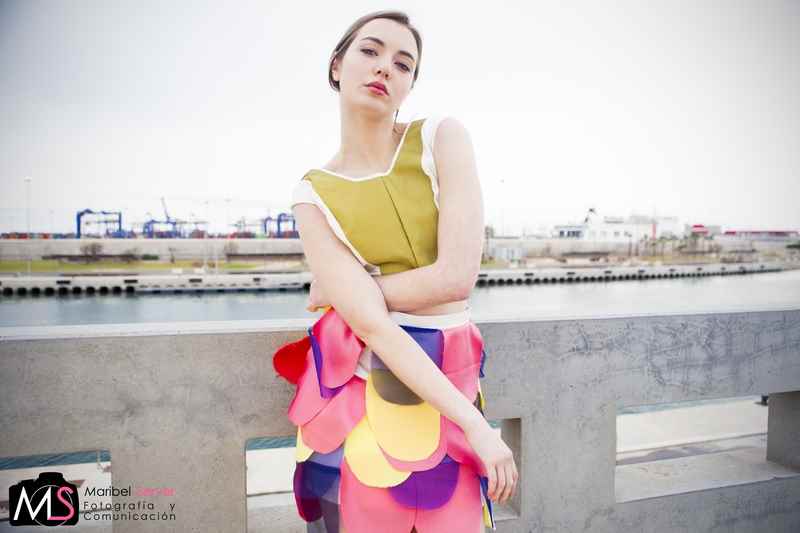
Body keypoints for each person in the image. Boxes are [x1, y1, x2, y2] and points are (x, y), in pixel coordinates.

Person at [272, 10, 518, 533]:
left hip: (449, 373)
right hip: (357, 392)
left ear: (409, 85)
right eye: (370, 51)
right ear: (336, 66)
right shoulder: (312, 192)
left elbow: (456, 277)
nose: (385, 67)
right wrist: (476, 425)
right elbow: (374, 328)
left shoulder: (441, 138)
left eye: (403, 63)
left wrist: (350, 291)